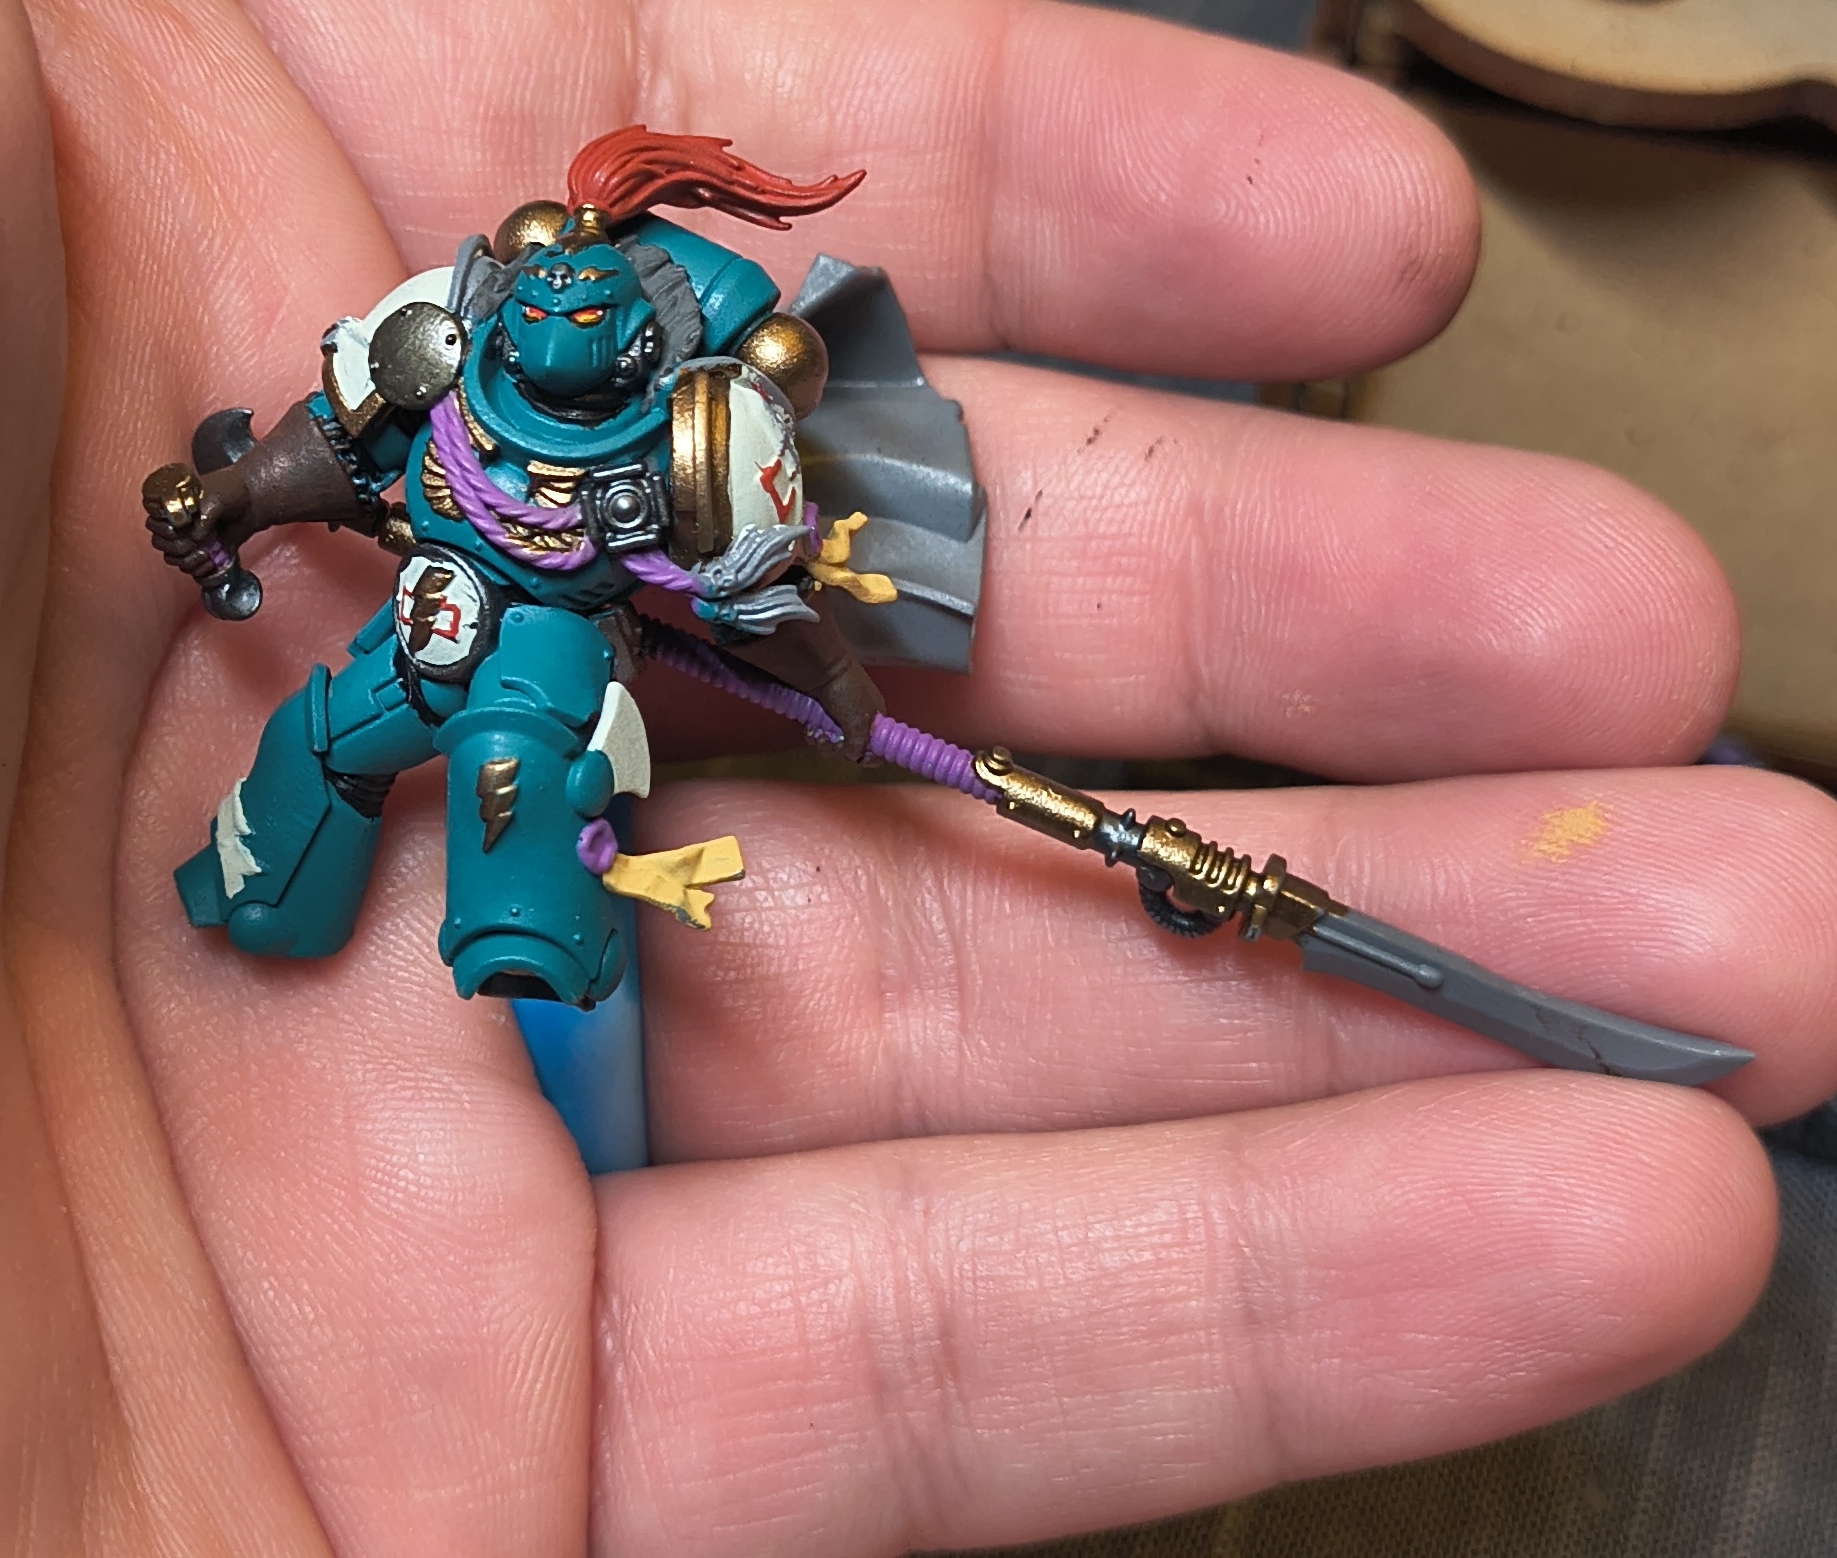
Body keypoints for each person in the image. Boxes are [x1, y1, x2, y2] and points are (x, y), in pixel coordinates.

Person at [3, 1, 1833, 1555]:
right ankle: (253, 899)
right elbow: (336, 449)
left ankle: (528, 926)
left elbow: (763, 597)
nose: (549, 324)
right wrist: (228, 497)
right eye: (534, 301)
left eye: (581, 313)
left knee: (512, 779)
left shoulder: (699, 426)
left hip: (548, 656)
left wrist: (825, 679)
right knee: (312, 753)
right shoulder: (443, 345)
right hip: (440, 601)